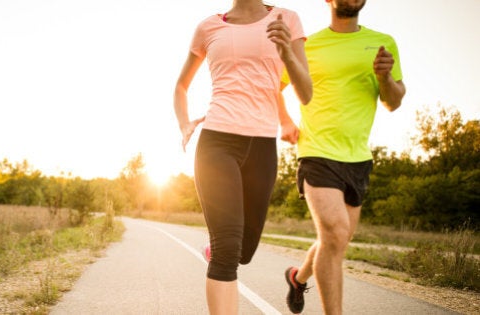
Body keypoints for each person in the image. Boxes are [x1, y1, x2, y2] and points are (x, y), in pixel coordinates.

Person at [173, 1, 312, 313]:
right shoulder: (209, 27)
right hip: (217, 143)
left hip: (261, 146)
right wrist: (184, 123)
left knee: (244, 251)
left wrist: (287, 53)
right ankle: (220, 249)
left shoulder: (287, 19)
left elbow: (306, 93)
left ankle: (220, 248)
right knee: (227, 250)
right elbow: (181, 86)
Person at [282, 0, 406, 314]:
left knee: (336, 240)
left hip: (358, 157)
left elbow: (393, 102)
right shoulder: (309, 45)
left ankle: (298, 277)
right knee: (335, 233)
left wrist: (385, 77)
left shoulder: (383, 43)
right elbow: (274, 86)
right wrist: (284, 121)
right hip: (316, 151)